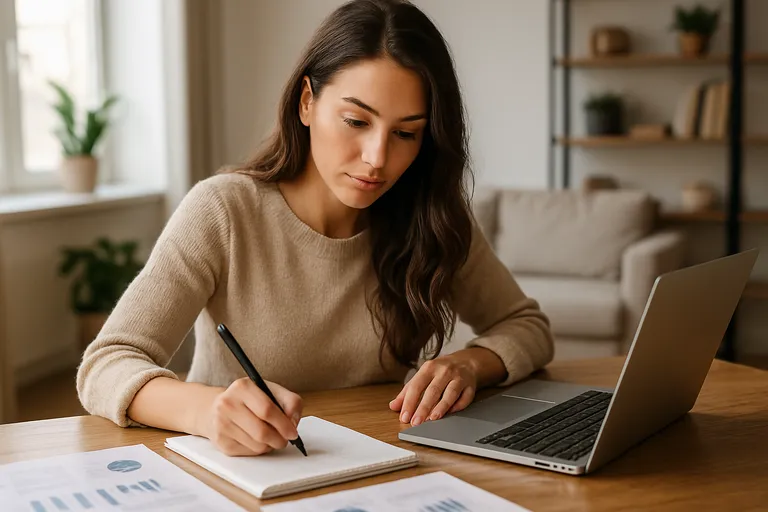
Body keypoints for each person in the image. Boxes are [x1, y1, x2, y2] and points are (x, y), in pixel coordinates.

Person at [76, 0, 553, 457]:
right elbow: (107, 363)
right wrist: (203, 409)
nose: (377, 158)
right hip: (243, 469)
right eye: (355, 120)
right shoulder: (223, 210)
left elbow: (526, 326)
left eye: (406, 133)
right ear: (307, 102)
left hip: (384, 465)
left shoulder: (432, 216)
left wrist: (470, 364)